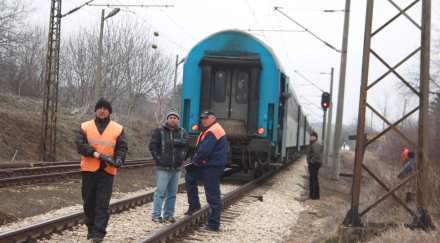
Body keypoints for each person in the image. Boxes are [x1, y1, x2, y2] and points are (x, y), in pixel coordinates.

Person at [75, 98, 128, 243]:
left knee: (102, 203)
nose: (102, 110)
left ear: (109, 111)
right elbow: (80, 145)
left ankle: (99, 233)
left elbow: (122, 148)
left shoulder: (118, 128)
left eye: (105, 108)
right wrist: (93, 153)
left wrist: (119, 159)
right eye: (100, 108)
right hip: (89, 170)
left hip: (107, 170)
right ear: (96, 110)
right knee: (88, 202)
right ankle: (91, 229)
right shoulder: (85, 126)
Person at [184, 109, 228, 231]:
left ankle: (214, 224)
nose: (203, 120)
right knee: (189, 176)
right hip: (208, 165)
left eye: (206, 118)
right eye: (202, 118)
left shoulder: (213, 131)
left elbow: (204, 151)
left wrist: (195, 162)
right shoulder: (212, 129)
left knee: (213, 195)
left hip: (212, 167)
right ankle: (194, 205)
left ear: (213, 118)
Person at [149, 109, 188, 223]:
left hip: (176, 168)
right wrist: (159, 159)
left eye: (175, 118)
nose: (172, 119)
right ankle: (156, 215)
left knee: (172, 194)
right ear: (167, 119)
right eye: (170, 117)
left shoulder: (182, 131)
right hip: (163, 168)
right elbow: (152, 146)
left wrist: (178, 143)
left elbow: (187, 144)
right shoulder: (159, 131)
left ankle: (168, 215)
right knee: (160, 192)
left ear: (178, 120)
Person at [306, 131, 322, 200]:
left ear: (316, 137)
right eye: (311, 136)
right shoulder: (313, 144)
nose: (311, 137)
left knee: (313, 180)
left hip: (314, 164)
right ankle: (315, 196)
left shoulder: (316, 144)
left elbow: (316, 154)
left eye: (313, 136)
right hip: (314, 163)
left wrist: (311, 161)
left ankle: (313, 196)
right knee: (314, 179)